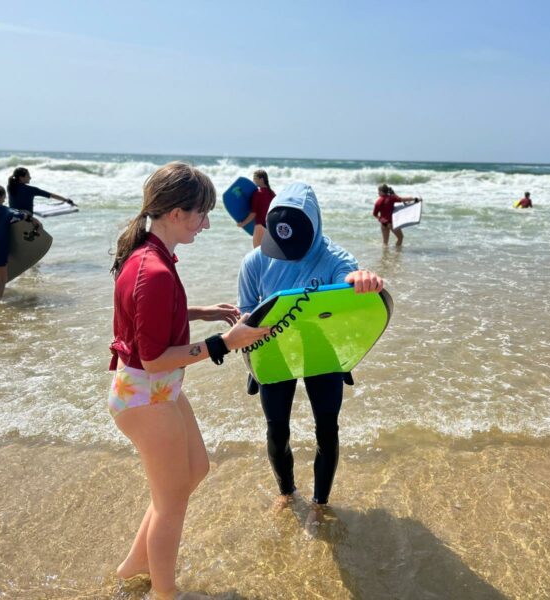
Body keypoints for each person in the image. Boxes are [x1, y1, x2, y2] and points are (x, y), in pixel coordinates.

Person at [107, 162, 269, 598]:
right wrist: (225, 342)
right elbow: (155, 357)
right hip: (145, 393)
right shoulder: (153, 269)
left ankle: (134, 567)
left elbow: (150, 319)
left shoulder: (150, 254)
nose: (207, 223)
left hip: (155, 389)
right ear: (176, 213)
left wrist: (201, 312)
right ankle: (166, 594)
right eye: (201, 213)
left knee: (195, 470)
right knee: (172, 502)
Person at [238, 182, 385, 526]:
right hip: (274, 350)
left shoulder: (336, 258)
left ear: (317, 228)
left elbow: (348, 281)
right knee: (277, 430)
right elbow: (245, 316)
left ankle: (320, 502)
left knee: (327, 429)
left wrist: (361, 281)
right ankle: (286, 493)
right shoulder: (254, 262)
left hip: (322, 349)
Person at [7, 167, 75, 214]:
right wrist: (66, 200)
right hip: (25, 218)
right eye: (28, 175)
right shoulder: (31, 190)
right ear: (21, 178)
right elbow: (51, 195)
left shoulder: (10, 187)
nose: (30, 177)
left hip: (12, 216)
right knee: (39, 226)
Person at [237, 169, 276, 248]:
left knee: (257, 252)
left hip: (259, 227)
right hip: (271, 228)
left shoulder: (258, 194)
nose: (253, 181)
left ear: (261, 179)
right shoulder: (272, 193)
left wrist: (243, 223)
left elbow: (253, 213)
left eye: (255, 178)